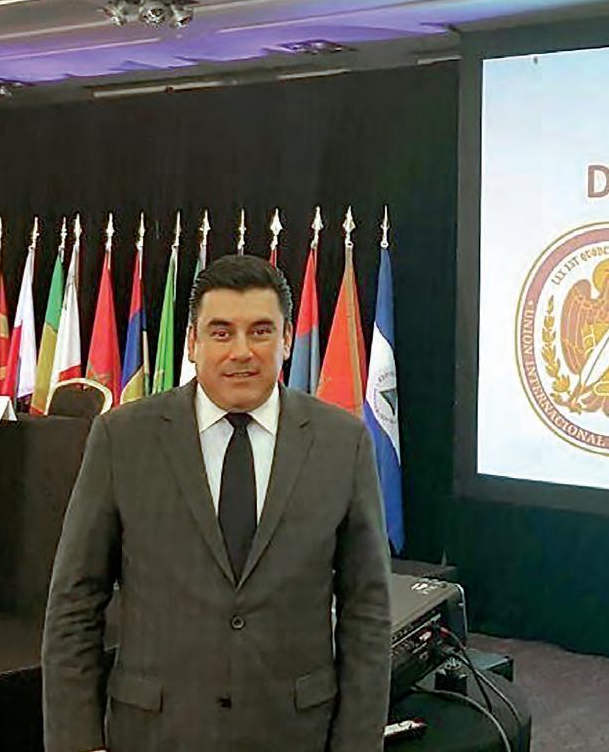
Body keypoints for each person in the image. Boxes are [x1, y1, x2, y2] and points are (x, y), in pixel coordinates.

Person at [42, 254, 392, 752]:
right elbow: (74, 604)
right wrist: (76, 743)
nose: (241, 351)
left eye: (261, 331)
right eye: (221, 332)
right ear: (192, 342)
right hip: (155, 734)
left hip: (294, 735)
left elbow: (367, 613)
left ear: (287, 339)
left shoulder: (343, 442)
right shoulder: (122, 438)